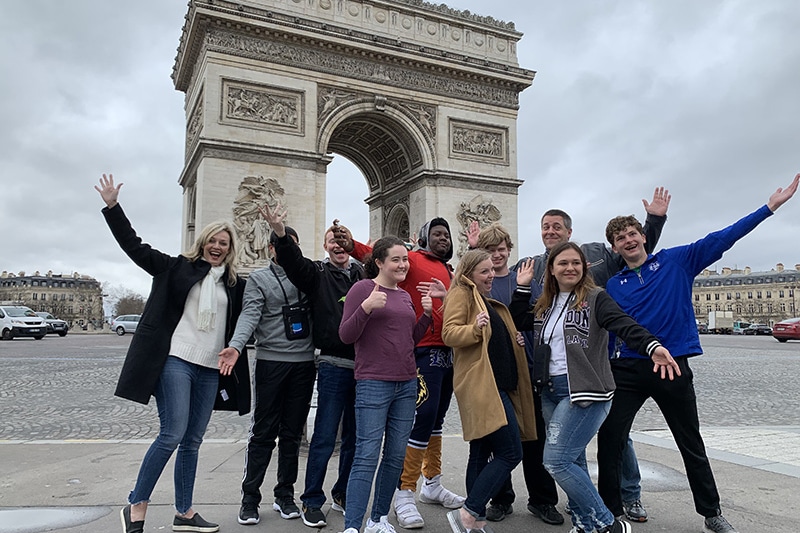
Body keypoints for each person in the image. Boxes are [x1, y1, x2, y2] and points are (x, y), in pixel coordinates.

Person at [597, 173, 800, 533]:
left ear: (643, 236)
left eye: (632, 234)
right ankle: (609, 512)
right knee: (610, 440)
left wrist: (769, 208)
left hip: (673, 366)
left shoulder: (679, 260)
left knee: (690, 442)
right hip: (628, 368)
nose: (628, 240)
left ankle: (712, 513)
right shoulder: (613, 284)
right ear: (615, 248)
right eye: (619, 238)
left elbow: (724, 237)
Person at [504, 187, 671, 524]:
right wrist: (522, 286)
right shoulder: (545, 303)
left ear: (584, 265)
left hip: (585, 388)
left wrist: (652, 346)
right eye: (562, 264)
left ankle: (608, 520)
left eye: (574, 263)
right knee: (574, 458)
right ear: (549, 269)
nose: (569, 268)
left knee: (556, 460)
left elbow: (623, 323)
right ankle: (585, 520)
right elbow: (520, 319)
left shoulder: (596, 296)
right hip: (550, 390)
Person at [96, 174, 250, 533]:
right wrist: (113, 207)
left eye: (224, 242)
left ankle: (184, 512)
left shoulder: (234, 284)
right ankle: (136, 503)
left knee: (193, 440)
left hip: (211, 368)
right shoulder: (174, 267)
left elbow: (250, 317)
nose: (217, 246)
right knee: (172, 434)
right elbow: (134, 247)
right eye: (212, 240)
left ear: (231, 248)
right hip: (176, 362)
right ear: (203, 241)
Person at [338, 219, 465, 529]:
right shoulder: (362, 289)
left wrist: (424, 315)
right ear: (379, 262)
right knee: (367, 456)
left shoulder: (405, 295)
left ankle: (379, 518)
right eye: (395, 259)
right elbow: (345, 335)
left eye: (405, 259)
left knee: (395, 456)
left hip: (407, 382)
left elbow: (409, 338)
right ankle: (353, 524)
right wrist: (366, 307)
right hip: (373, 383)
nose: (403, 264)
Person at [261, 204, 364, 529]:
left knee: (355, 437)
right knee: (323, 437)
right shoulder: (316, 274)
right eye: (332, 241)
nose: (338, 246)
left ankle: (343, 492)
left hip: (364, 367)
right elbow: (291, 261)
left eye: (342, 241)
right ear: (324, 247)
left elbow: (393, 258)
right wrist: (280, 232)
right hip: (334, 365)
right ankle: (312, 500)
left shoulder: (364, 273)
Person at [219, 226, 316, 525]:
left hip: (304, 363)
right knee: (262, 432)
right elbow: (249, 314)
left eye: (295, 246)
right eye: (284, 246)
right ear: (271, 249)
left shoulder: (310, 275)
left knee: (291, 434)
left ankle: (284, 495)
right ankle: (250, 498)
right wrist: (236, 346)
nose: (289, 250)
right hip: (271, 362)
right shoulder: (259, 279)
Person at [440, 249, 537, 533]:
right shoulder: (461, 293)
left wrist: (512, 336)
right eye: (484, 271)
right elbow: (450, 333)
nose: (491, 275)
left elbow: (493, 339)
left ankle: (474, 520)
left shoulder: (484, 299)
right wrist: (474, 328)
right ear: (469, 273)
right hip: (484, 386)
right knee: (510, 452)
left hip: (498, 385)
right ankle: (468, 511)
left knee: (480, 452)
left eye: (492, 270)